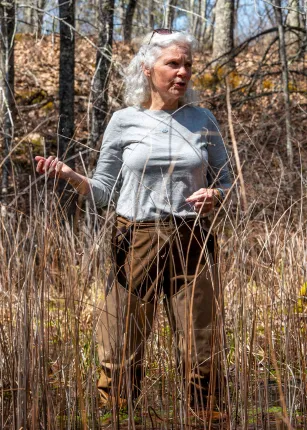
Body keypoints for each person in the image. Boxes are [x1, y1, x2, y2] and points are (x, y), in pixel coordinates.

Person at [35, 30, 231, 421]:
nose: (183, 72)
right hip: (134, 238)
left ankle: (206, 417)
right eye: (173, 63)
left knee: (201, 348)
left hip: (191, 239)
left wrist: (215, 196)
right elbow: (104, 191)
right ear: (147, 68)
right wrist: (72, 176)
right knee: (118, 348)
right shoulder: (124, 121)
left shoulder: (203, 120)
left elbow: (226, 181)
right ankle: (118, 419)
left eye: (188, 65)